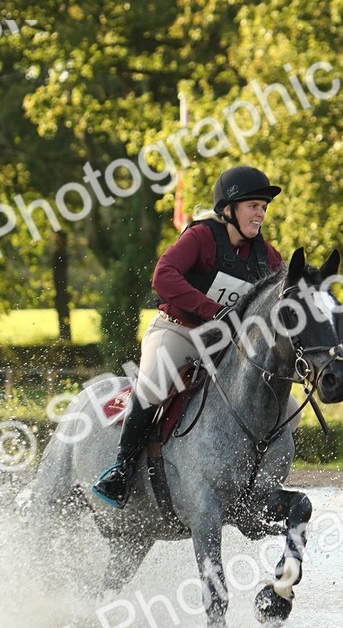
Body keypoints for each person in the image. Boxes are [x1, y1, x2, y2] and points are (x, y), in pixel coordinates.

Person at [92, 164, 287, 508]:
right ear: (228, 209)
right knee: (153, 384)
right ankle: (121, 470)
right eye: (253, 205)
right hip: (178, 331)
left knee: (282, 401)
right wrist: (213, 311)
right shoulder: (200, 238)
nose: (261, 213)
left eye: (263, 207)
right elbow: (163, 277)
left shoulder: (268, 257)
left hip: (228, 345)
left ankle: (258, 482)